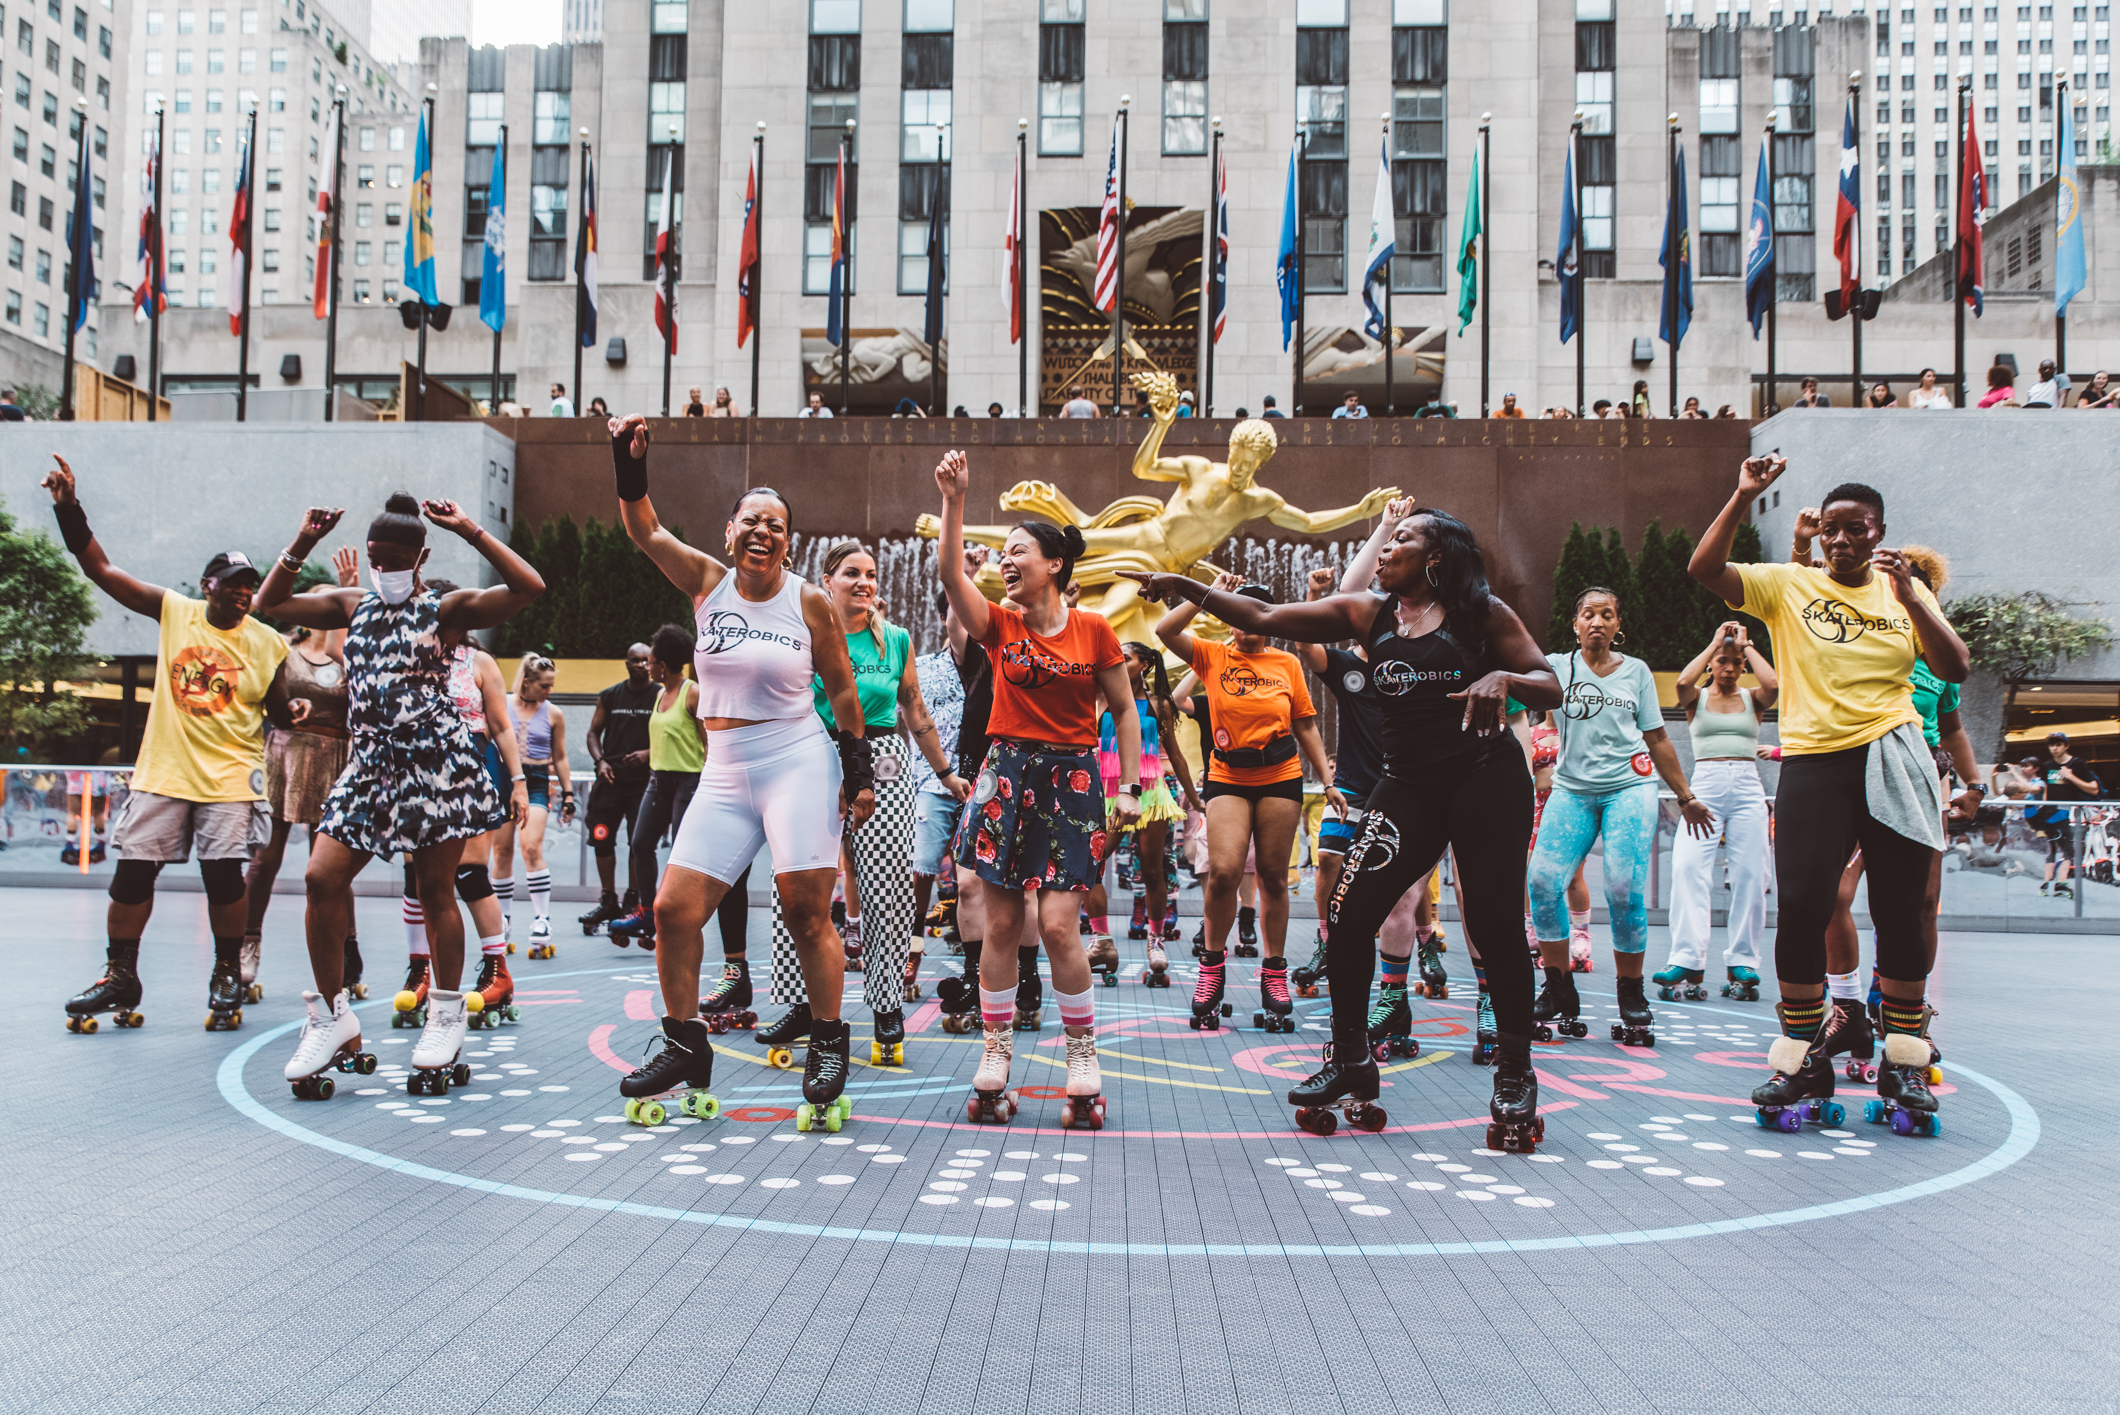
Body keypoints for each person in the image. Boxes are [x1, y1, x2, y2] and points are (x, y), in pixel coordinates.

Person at [1120, 503, 1562, 1149]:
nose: (1385, 549)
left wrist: (1506, 675)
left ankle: (1516, 1069)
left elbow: (1550, 685)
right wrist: (1186, 585)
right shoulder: (1368, 614)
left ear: (1436, 557)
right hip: (1406, 787)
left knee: (1494, 923)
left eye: (1401, 539)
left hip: (1485, 780)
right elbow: (1263, 617)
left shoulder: (1483, 615)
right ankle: (1353, 1057)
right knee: (1349, 914)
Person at [1689, 460, 1971, 1138]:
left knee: (1900, 908)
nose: (1842, 540)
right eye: (1832, 530)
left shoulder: (1904, 594)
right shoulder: (1790, 586)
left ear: (1879, 533)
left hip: (1894, 755)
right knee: (1805, 906)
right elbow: (1704, 568)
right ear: (1820, 536)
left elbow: (1955, 666)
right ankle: (1803, 1058)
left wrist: (1910, 599)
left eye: (1857, 530)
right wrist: (1743, 494)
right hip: (1816, 760)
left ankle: (1903, 1058)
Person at [606, 414, 872, 1131]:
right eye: (750, 521)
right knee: (672, 910)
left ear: (790, 541)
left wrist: (858, 769)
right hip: (723, 769)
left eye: (776, 525)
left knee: (805, 911)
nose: (762, 532)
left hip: (795, 758)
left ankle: (826, 1041)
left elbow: (843, 691)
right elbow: (644, 530)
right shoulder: (707, 583)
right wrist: (629, 465)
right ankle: (685, 1044)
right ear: (729, 532)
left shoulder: (808, 602)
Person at [257, 494, 544, 1098]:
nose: (385, 568)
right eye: (377, 557)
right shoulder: (350, 605)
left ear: (420, 558)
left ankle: (445, 1017)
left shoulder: (443, 610)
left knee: (437, 889)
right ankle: (333, 1017)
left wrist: (470, 529)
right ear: (368, 555)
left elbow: (528, 585)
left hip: (436, 766)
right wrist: (302, 540)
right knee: (320, 878)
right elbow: (269, 603)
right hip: (370, 766)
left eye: (398, 559)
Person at [933, 448, 1141, 1128]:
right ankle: (995, 1053)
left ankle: (1083, 1055)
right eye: (1002, 553)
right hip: (1005, 772)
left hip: (1072, 776)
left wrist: (1132, 785)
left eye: (1017, 550)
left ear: (1054, 564)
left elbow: (1125, 709)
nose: (1005, 560)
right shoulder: (1002, 624)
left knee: (1055, 923)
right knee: (998, 921)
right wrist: (955, 501)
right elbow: (948, 575)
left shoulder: (1095, 629)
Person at [46, 458, 290, 1035]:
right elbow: (100, 569)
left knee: (224, 879)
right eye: (233, 585)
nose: (243, 595)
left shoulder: (268, 642)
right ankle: (121, 975)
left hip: (231, 776)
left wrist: (294, 711)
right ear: (208, 585)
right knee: (131, 876)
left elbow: (278, 708)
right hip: (163, 772)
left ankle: (227, 972)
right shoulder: (175, 613)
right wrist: (67, 507)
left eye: (249, 588)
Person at [767, 540, 966, 1068]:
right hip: (812, 753)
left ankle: (885, 1006)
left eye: (871, 574)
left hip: (882, 756)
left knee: (889, 887)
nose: (864, 582)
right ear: (826, 580)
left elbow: (916, 711)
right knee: (796, 885)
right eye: (852, 573)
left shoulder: (894, 640)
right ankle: (798, 1004)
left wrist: (945, 773)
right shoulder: (804, 633)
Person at [1526, 588, 1715, 1045]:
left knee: (1624, 888)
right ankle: (1558, 988)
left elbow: (1658, 738)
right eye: (1588, 614)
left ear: (1617, 625)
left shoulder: (1637, 672)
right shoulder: (1556, 666)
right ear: (1575, 624)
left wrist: (1684, 795)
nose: (1597, 622)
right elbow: (1516, 687)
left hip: (1629, 787)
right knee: (1542, 882)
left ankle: (1631, 993)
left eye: (1606, 615)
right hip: (1571, 789)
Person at [1153, 573, 1337, 1033]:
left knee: (1274, 876)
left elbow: (1306, 725)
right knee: (1224, 871)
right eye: (1235, 611)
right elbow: (1165, 632)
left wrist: (1329, 781)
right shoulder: (1213, 656)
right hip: (1228, 776)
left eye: (1253, 612)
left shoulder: (1287, 664)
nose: (1245, 620)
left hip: (1280, 776)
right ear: (1228, 619)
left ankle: (1273, 973)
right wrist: (1208, 591)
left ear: (1269, 622)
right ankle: (1211, 969)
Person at [241, 547, 360, 1004]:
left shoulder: (344, 656)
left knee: (329, 866)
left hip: (335, 757)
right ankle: (246, 947)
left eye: (336, 604)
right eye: (321, 603)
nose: (327, 610)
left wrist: (349, 590)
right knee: (266, 857)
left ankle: (347, 954)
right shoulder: (283, 651)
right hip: (286, 756)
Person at [1656, 622, 1778, 1002]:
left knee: (1751, 873)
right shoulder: (1697, 699)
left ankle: (1743, 959)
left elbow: (1774, 686)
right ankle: (1686, 958)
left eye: (1735, 662)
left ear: (1743, 666)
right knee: (1687, 867)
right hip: (1704, 784)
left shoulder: (1754, 698)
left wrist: (1747, 646)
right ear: (1711, 664)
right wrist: (1713, 644)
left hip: (1745, 785)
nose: (1728, 667)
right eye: (1721, 662)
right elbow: (1681, 685)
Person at [490, 655, 573, 948]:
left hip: (537, 780)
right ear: (527, 682)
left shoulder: (554, 714)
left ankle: (542, 918)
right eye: (544, 686)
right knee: (501, 851)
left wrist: (568, 793)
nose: (549, 692)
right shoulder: (503, 705)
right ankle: (503, 917)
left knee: (531, 847)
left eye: (552, 686)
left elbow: (560, 757)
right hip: (505, 778)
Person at [580, 645, 659, 938]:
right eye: (635, 660)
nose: (641, 665)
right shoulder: (610, 695)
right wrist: (599, 761)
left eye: (646, 660)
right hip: (610, 780)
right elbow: (592, 733)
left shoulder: (661, 696)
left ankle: (633, 900)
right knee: (602, 837)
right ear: (626, 663)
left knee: (638, 842)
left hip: (644, 783)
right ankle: (607, 899)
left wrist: (648, 754)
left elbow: (672, 733)